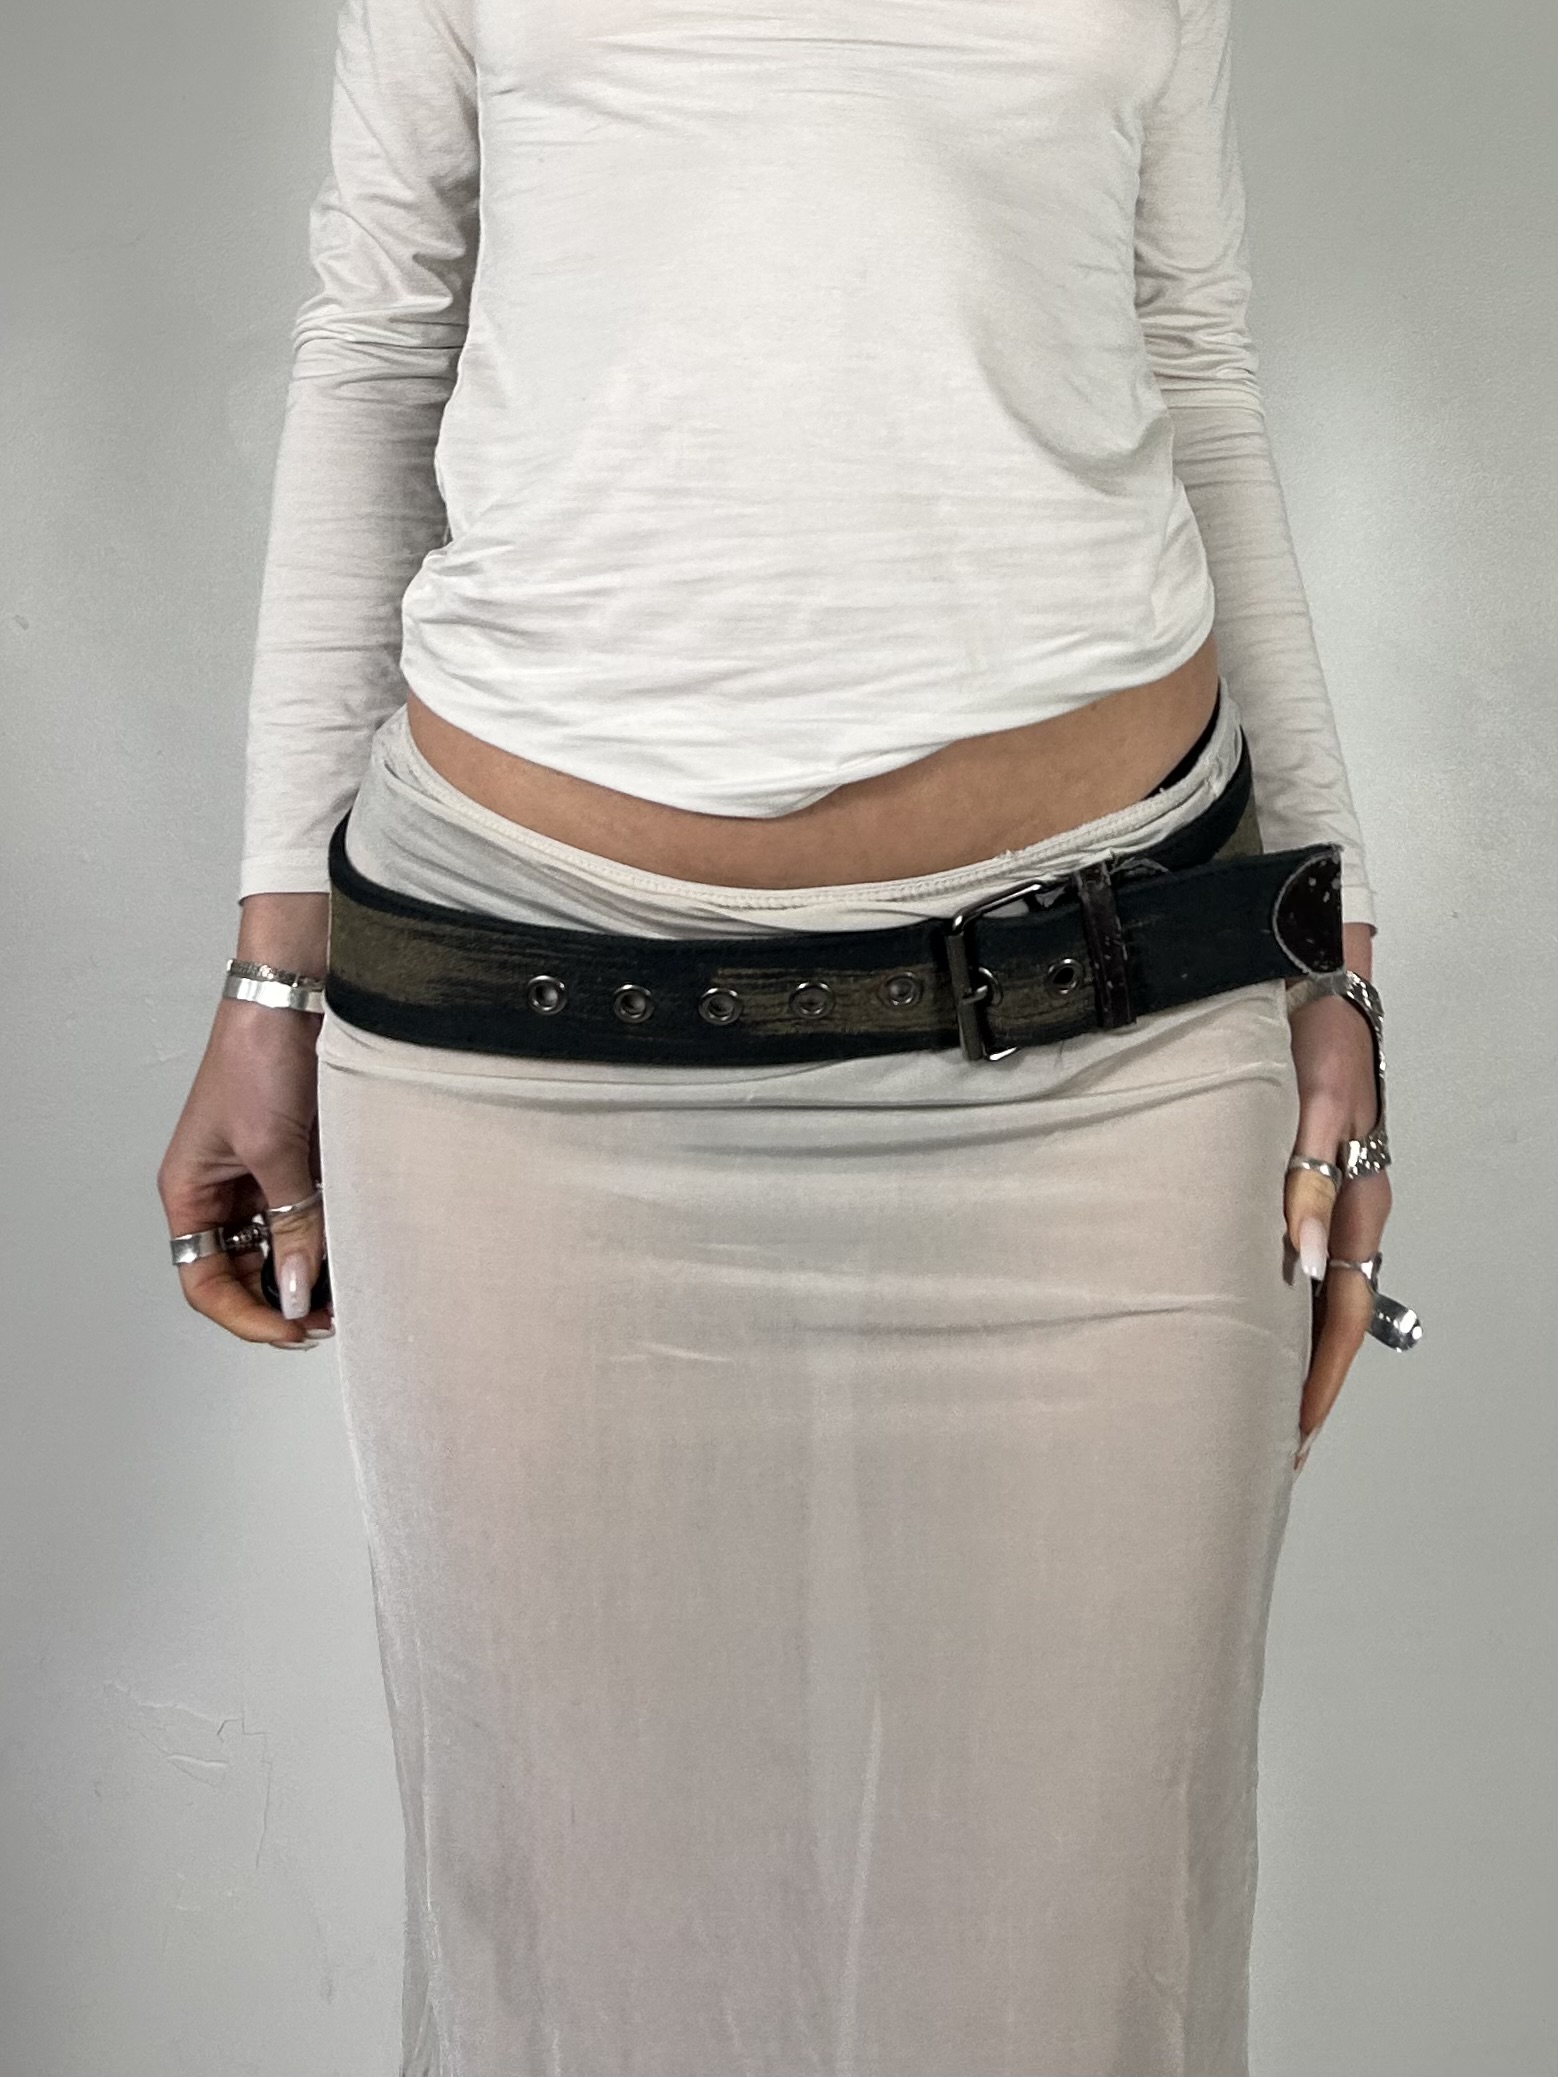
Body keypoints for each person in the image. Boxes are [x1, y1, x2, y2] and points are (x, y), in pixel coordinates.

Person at [157, 0, 1419, 2066]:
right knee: (577, 1959)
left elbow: (1191, 349)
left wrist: (1327, 955)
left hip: (1108, 1027)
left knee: (1087, 1958)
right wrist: (273, 971)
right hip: (532, 1039)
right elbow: (377, 343)